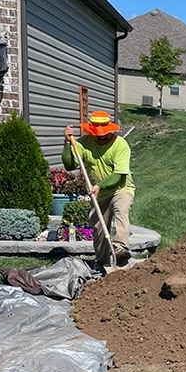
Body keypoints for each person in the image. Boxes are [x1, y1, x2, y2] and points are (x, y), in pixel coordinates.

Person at [63, 110, 135, 269]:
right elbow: (69, 165)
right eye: (97, 134)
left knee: (121, 210)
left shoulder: (120, 145)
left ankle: (120, 249)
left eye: (105, 133)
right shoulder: (83, 142)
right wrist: (67, 143)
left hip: (120, 189)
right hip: (99, 194)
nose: (101, 136)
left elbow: (118, 176)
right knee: (98, 227)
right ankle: (103, 262)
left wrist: (99, 186)